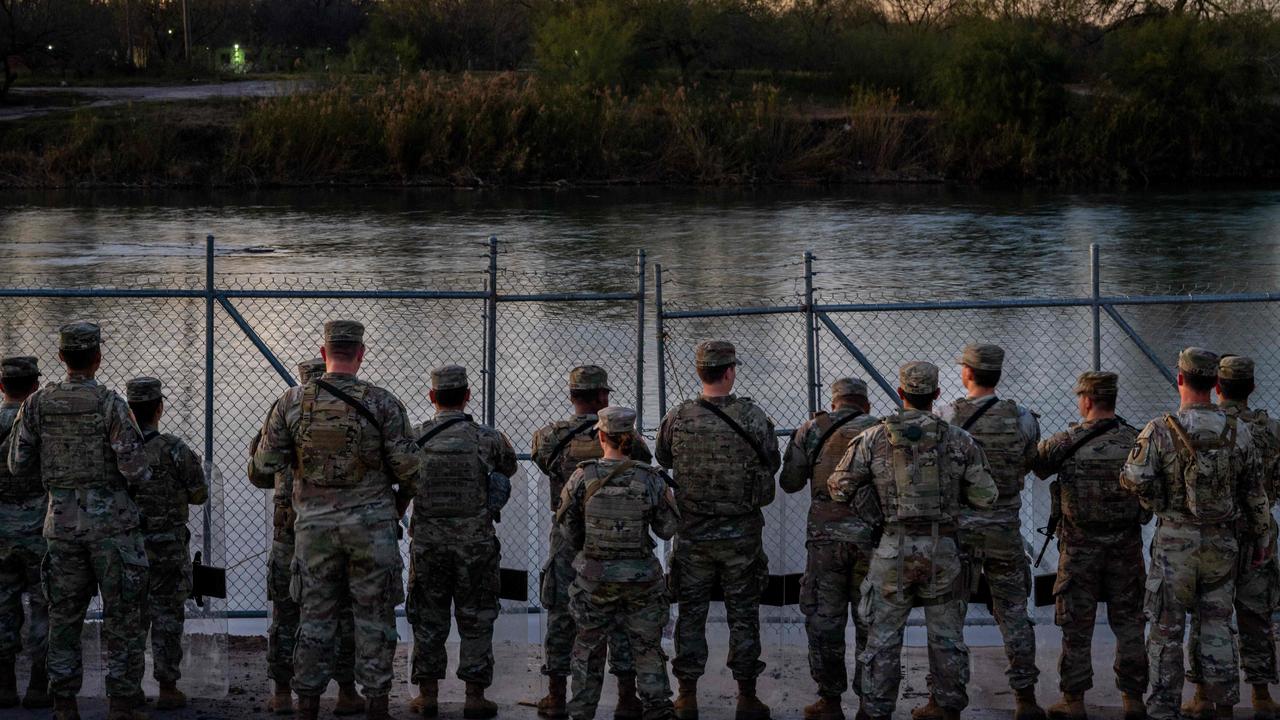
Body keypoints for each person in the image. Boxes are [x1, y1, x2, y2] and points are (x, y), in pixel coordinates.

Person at [252, 320, 421, 720]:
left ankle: (307, 705)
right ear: (360, 354)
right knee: (374, 618)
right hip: (372, 531)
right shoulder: (384, 404)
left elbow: (262, 470)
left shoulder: (291, 403)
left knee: (313, 617)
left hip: (314, 532)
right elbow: (412, 472)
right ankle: (376, 705)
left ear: (324, 352)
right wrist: (392, 506)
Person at [828, 361, 997, 720]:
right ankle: (946, 707)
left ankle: (876, 710)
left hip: (893, 548)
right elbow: (986, 496)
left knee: (883, 639)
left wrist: (875, 509)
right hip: (943, 550)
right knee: (946, 638)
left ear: (901, 393)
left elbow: (839, 487)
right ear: (936, 395)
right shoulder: (959, 439)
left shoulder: (874, 437)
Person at [8, 321, 152, 720]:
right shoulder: (111, 404)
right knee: (122, 617)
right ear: (98, 357)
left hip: (60, 526)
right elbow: (137, 469)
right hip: (112, 530)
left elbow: (18, 465)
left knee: (64, 617)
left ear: (60, 358)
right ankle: (121, 702)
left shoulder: (36, 404)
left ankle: (64, 702)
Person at [1121, 347, 1272, 720]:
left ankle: (1164, 707)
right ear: (1216, 383)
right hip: (1222, 543)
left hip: (1175, 542)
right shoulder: (1239, 432)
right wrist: (1262, 539)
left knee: (1166, 630)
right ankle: (1222, 705)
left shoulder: (1160, 429)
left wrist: (1160, 502)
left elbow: (1134, 478)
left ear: (1180, 379)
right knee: (1218, 625)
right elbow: (1255, 494)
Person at [656, 340, 780, 720]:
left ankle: (687, 695)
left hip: (693, 533)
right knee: (743, 613)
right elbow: (772, 460)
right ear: (729, 372)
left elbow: (663, 457)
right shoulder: (753, 416)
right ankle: (746, 695)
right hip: (741, 535)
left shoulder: (678, 417)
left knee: (690, 612)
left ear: (700, 372)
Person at [531, 365, 650, 719]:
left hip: (568, 535)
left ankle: (555, 695)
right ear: (601, 397)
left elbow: (542, 463)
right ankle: (627, 697)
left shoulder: (549, 437)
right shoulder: (630, 440)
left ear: (572, 396)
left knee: (561, 612)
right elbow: (641, 464)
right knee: (620, 614)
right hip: (616, 535)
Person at [248, 358, 364, 716]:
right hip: (339, 531)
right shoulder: (356, 413)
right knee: (344, 612)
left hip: (290, 533)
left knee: (286, 613)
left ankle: (284, 692)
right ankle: (346, 691)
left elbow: (259, 471)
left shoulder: (284, 414)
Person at [1030, 372, 1147, 720]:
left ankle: (1075, 701)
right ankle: (1133, 700)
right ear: (1112, 399)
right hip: (1126, 549)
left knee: (1075, 627)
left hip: (1079, 551)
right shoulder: (1137, 440)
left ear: (1086, 400)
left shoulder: (1067, 441)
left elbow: (1036, 464)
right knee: (1129, 625)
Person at [936, 343, 1044, 720]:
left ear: (967, 373)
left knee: (950, 614)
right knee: (1014, 611)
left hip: (959, 530)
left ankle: (947, 702)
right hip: (1004, 530)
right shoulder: (1023, 417)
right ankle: (1026, 698)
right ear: (997, 374)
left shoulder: (946, 415)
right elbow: (1030, 462)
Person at [406, 365, 517, 719]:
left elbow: (400, 475)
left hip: (428, 543)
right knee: (477, 616)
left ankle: (427, 696)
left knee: (428, 618)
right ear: (467, 395)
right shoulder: (487, 437)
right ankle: (474, 696)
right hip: (476, 544)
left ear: (432, 397)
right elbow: (508, 469)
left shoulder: (416, 438)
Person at [555, 406, 680, 720]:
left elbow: (569, 530)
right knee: (647, 647)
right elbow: (667, 528)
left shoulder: (582, 476)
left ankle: (582, 711)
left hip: (594, 578)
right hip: (641, 580)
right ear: (633, 438)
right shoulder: (649, 479)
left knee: (587, 648)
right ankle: (658, 708)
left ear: (601, 436)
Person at [1183, 354, 1280, 719]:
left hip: (1214, 530)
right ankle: (1261, 694)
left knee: (1207, 613)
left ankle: (1203, 694)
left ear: (1217, 386)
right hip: (1259, 530)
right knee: (1257, 613)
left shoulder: (1208, 425)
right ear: (1252, 387)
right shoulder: (1272, 430)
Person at [779, 378, 880, 720]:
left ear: (835, 402)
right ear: (864, 404)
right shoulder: (881, 429)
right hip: (872, 540)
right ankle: (870, 703)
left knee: (825, 620)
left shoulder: (812, 428)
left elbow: (790, 482)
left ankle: (830, 701)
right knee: (871, 621)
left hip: (825, 539)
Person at [125, 377, 209, 710]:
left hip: (129, 546)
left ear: (129, 411)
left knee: (130, 616)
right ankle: (168, 686)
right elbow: (199, 494)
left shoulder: (118, 449)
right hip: (170, 548)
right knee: (168, 615)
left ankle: (128, 686)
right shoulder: (175, 449)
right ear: (160, 408)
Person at [0, 356, 50, 709]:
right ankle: (37, 683)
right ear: (35, 386)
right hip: (40, 528)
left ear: (1, 386)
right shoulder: (42, 425)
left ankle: (4, 684)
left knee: (2, 606)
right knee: (43, 605)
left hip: (1, 530)